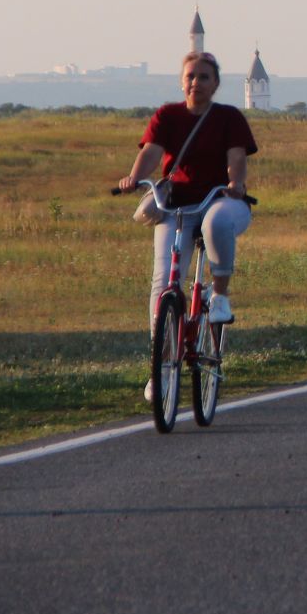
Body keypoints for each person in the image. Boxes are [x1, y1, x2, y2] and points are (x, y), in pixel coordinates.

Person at [116, 51, 257, 400]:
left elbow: (236, 157)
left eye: (204, 77)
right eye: (191, 76)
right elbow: (151, 151)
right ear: (182, 81)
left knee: (217, 223)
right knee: (164, 281)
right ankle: (161, 365)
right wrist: (135, 178)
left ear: (216, 84)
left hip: (219, 199)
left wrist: (235, 184)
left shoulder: (229, 117)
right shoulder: (168, 115)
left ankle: (219, 296)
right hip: (177, 204)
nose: (196, 83)